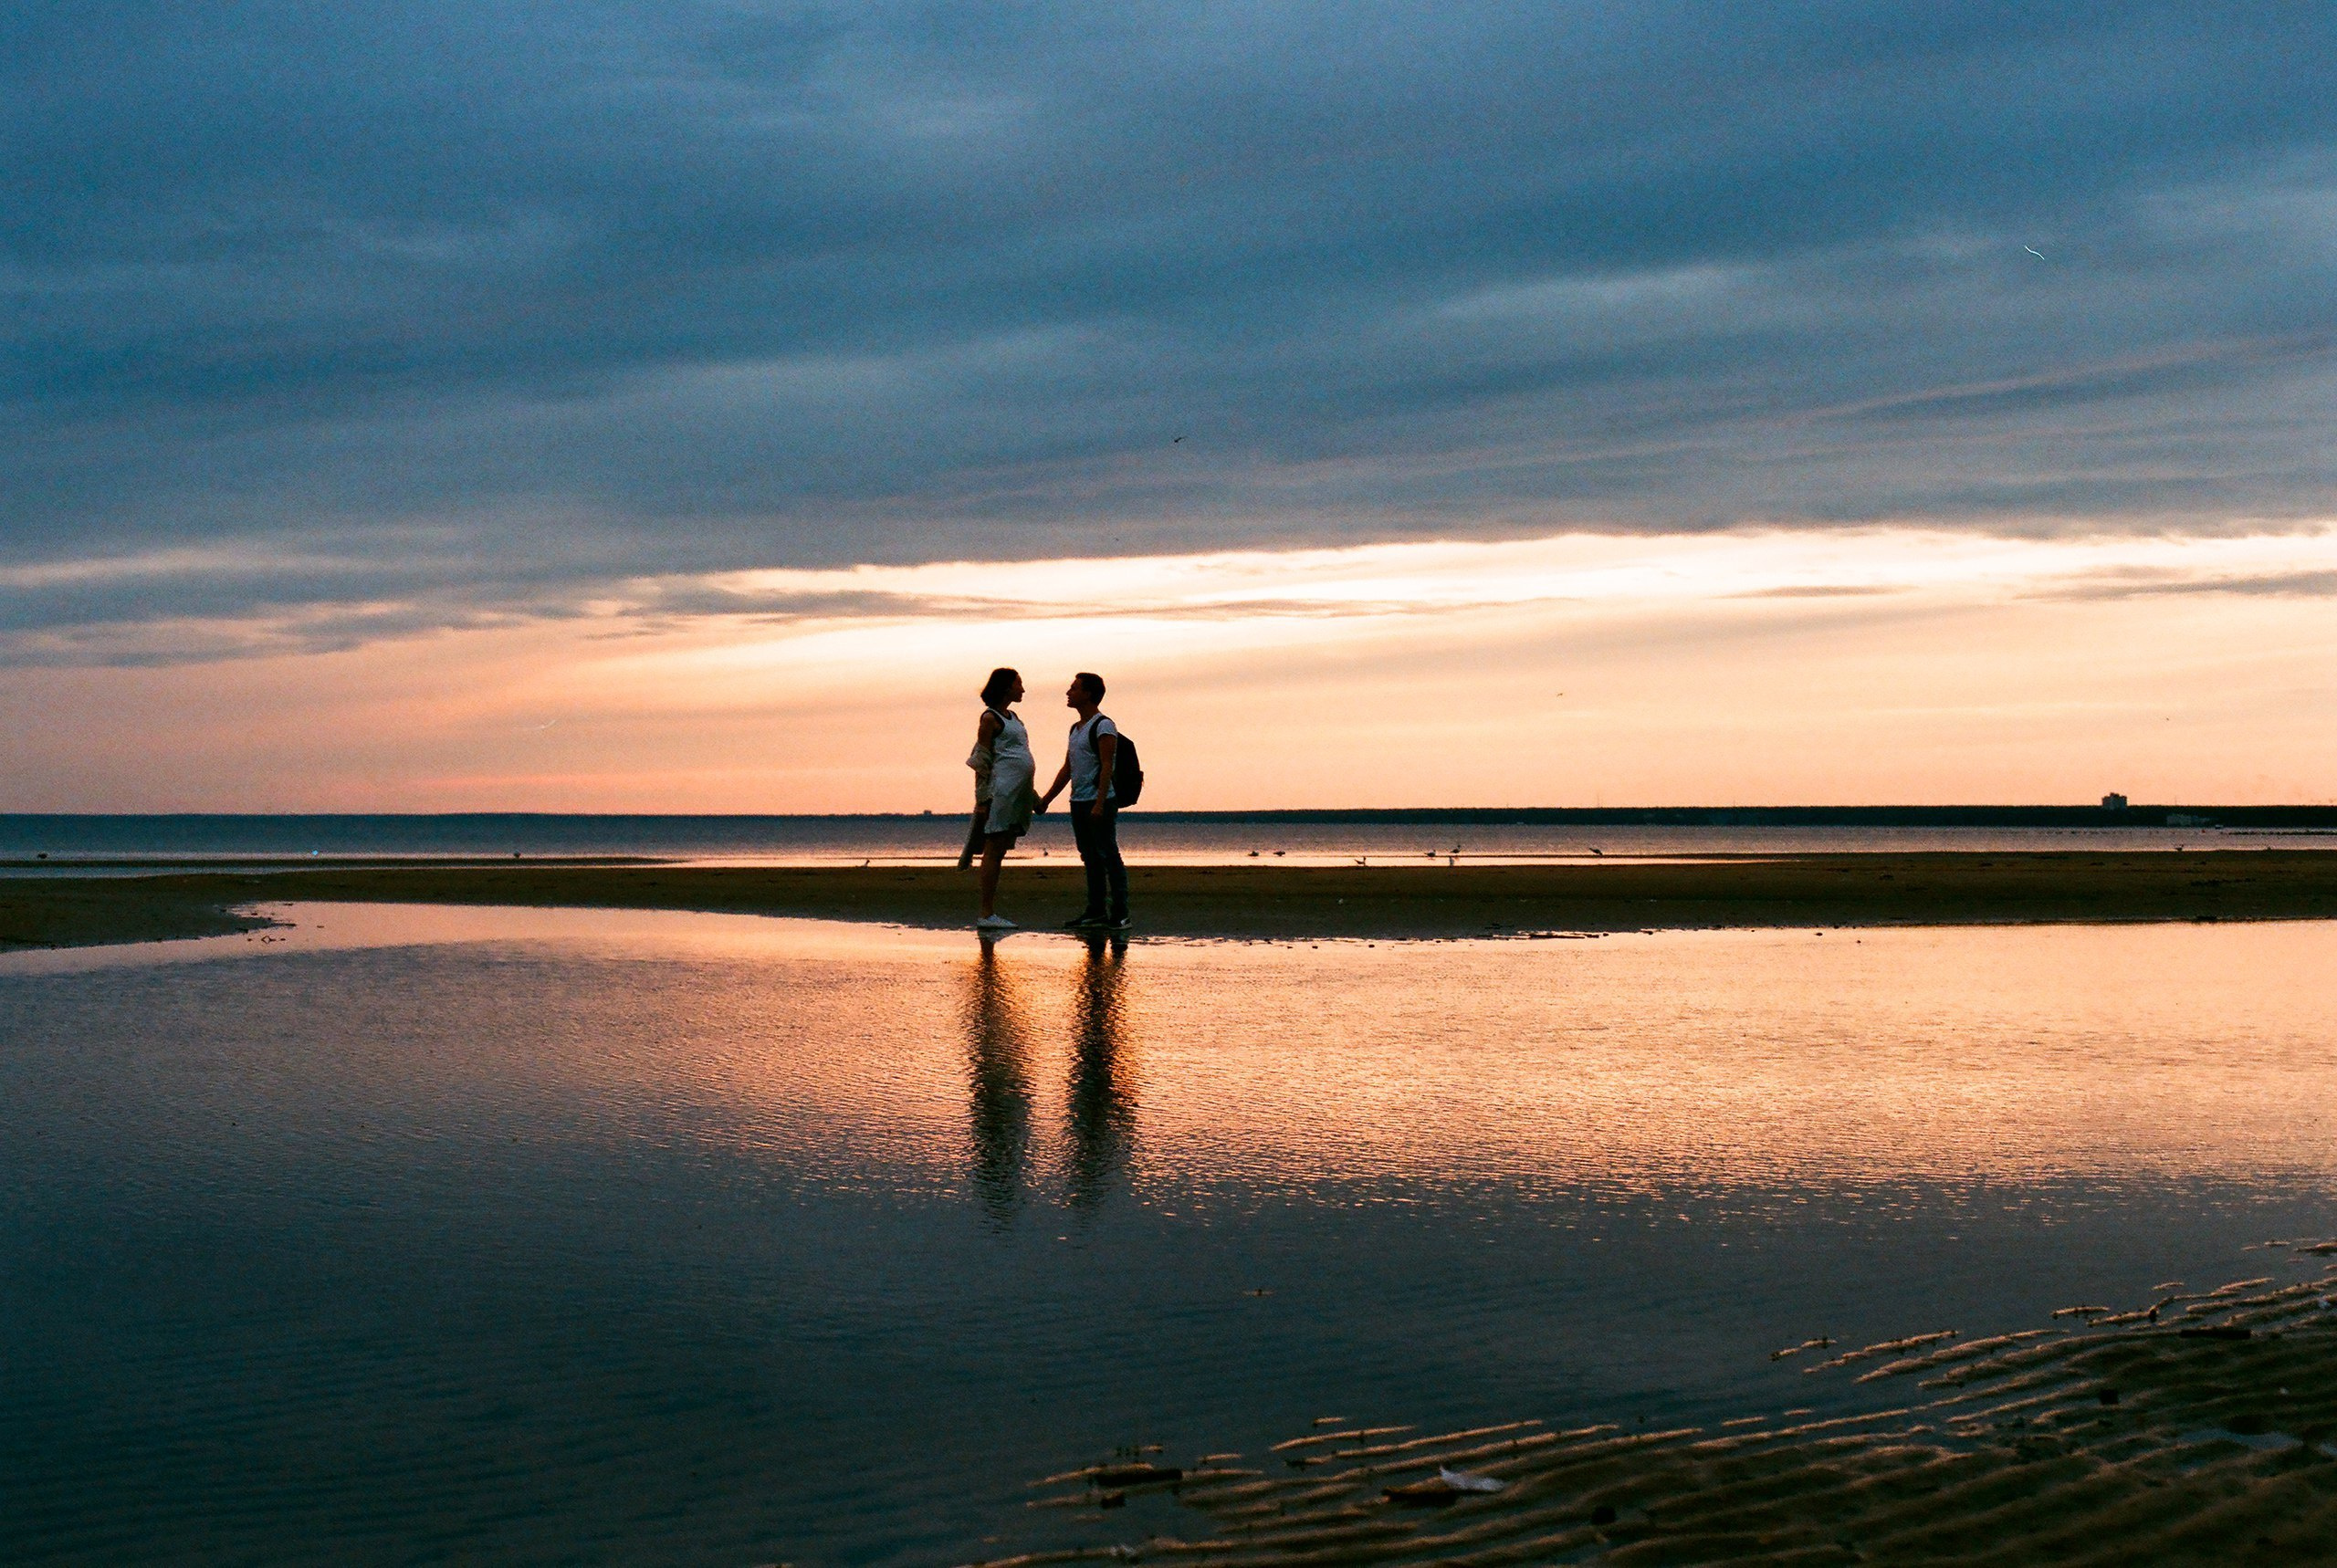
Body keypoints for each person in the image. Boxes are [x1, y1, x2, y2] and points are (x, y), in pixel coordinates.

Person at [1037, 671, 1128, 930]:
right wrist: (1047, 799)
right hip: (1077, 802)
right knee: (1090, 857)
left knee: (1109, 855)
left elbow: (1108, 765)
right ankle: (1096, 912)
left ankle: (1121, 913)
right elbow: (1068, 768)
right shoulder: (1075, 729)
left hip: (1100, 801)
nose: (1069, 692)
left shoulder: (1104, 725)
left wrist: (1100, 803)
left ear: (1088, 694)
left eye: (1074, 688)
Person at [962, 667, 1037, 932]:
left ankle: (990, 913)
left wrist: (1034, 796)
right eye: (1019, 684)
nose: (1023, 689)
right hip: (1000, 793)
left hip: (1017, 795)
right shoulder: (990, 719)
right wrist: (982, 799)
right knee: (993, 850)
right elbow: (982, 761)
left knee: (1001, 850)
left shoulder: (1014, 718)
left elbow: (1020, 758)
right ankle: (986, 913)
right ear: (1006, 687)